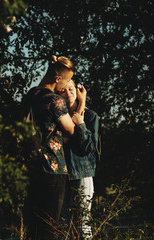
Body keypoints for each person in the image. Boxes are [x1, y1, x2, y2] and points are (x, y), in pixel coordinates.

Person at [23, 55, 86, 240]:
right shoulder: (54, 100)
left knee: (34, 228)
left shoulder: (30, 95)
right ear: (58, 78)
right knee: (49, 228)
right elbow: (73, 130)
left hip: (32, 168)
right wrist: (81, 103)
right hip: (52, 170)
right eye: (66, 82)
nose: (65, 88)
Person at [57, 80, 100, 240]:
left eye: (70, 89)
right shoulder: (57, 116)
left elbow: (88, 148)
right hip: (61, 175)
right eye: (63, 90)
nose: (67, 93)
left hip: (81, 174)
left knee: (83, 225)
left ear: (77, 90)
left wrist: (81, 124)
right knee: (63, 226)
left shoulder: (90, 116)